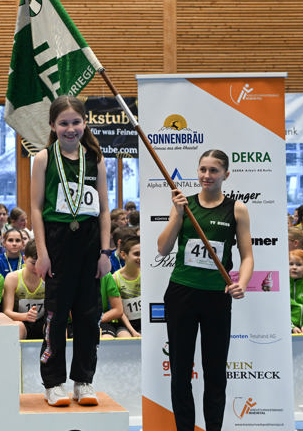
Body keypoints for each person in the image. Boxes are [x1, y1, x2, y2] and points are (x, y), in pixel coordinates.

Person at [156, 149, 253, 431]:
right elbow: (162, 248)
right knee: (180, 372)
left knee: (215, 373)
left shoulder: (237, 209)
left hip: (216, 297)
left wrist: (242, 282)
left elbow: (247, 256)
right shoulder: (183, 204)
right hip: (181, 294)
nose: (207, 175)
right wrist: (177, 214)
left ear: (226, 174)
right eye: (202, 169)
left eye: (213, 170)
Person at [30, 95, 112, 407]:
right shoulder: (43, 158)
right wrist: (42, 252)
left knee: (89, 317)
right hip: (57, 241)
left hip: (89, 242)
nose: (70, 128)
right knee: (55, 316)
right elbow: (35, 209)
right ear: (53, 125)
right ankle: (53, 383)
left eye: (76, 122)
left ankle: (83, 381)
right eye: (63, 123)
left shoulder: (95, 158)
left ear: (85, 123)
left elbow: (105, 209)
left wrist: (105, 252)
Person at [2, 240, 45, 339]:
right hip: (21, 322)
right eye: (33, 263)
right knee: (18, 327)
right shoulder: (12, 278)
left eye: (41, 263)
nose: (37, 268)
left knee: (56, 326)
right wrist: (26, 316)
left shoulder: (48, 278)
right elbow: (7, 312)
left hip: (42, 323)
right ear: (24, 259)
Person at [112, 236, 141, 337]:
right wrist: (132, 331)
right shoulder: (115, 278)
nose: (140, 258)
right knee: (125, 337)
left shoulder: (146, 275)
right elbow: (119, 311)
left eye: (143, 254)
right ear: (124, 255)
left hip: (144, 322)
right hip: (125, 324)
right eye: (136, 254)